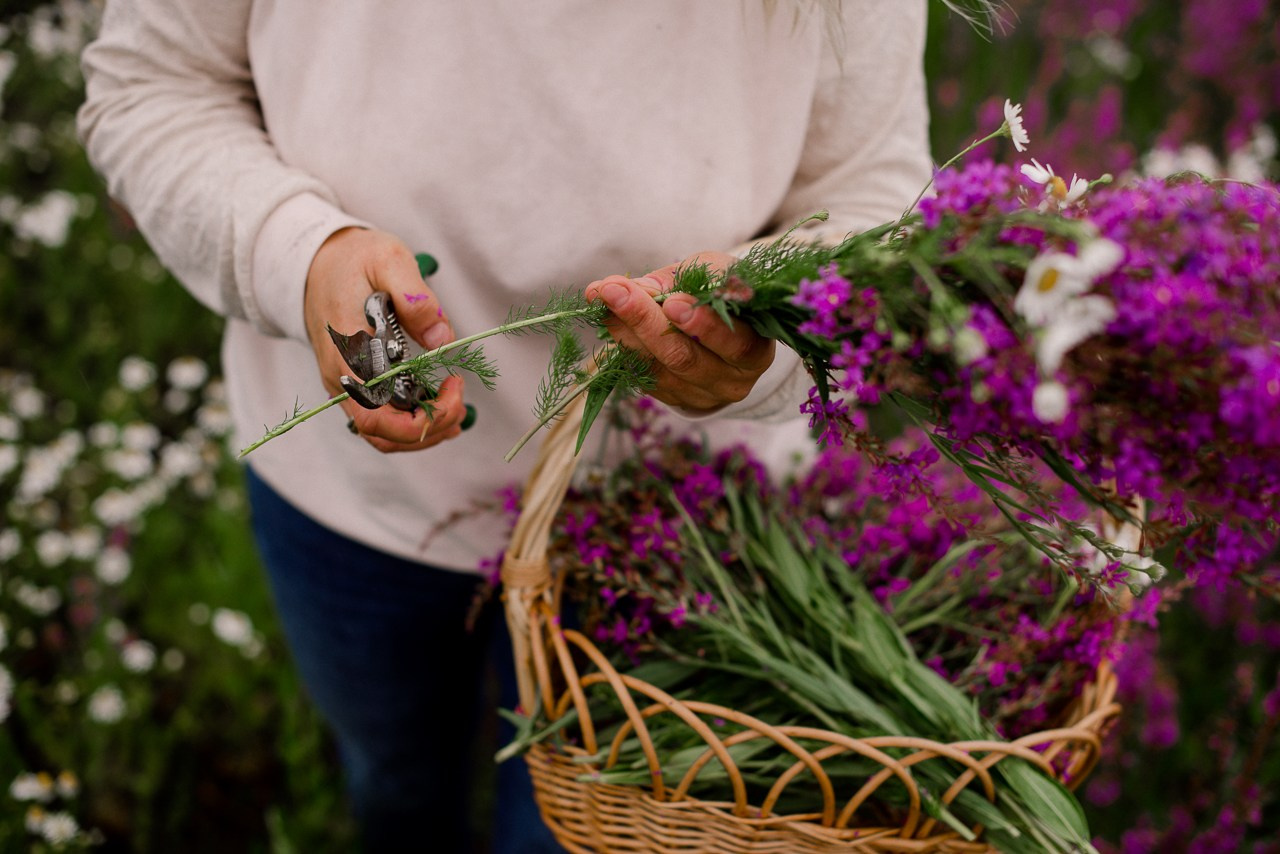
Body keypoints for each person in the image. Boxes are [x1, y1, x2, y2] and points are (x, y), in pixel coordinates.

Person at [77, 2, 932, 850]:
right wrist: (300, 255)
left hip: (669, 523)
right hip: (356, 496)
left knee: (576, 834)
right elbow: (154, 84)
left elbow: (873, 194)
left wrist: (762, 343)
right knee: (397, 787)